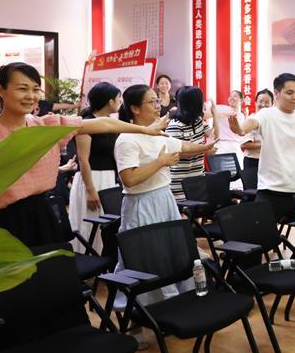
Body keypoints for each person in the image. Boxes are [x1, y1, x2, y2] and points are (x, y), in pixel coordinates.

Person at [0, 62, 169, 246]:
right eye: (22, 89)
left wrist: (145, 130)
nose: (31, 96)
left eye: (35, 89)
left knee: (51, 280)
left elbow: (104, 123)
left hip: (43, 216)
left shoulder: (47, 126)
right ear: (0, 90)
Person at [114, 84, 217, 312]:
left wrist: (205, 147)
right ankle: (143, 310)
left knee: (170, 250)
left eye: (157, 101)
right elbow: (129, 179)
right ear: (135, 109)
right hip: (141, 203)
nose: (157, 106)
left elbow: (181, 146)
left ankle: (173, 302)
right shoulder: (126, 139)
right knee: (146, 255)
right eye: (152, 102)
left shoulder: (157, 133)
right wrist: (160, 162)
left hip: (164, 198)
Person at [229, 74, 295, 223]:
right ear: (277, 93)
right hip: (271, 190)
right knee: (261, 233)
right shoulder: (267, 114)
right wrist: (240, 128)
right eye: (289, 93)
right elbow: (250, 124)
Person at [68, 82, 122, 255]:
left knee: (107, 225)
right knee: (90, 223)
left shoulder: (109, 122)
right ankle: (89, 260)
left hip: (108, 179)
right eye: (118, 98)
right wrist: (90, 190)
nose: (120, 101)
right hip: (92, 179)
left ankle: (105, 260)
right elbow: (83, 160)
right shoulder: (86, 123)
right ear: (110, 101)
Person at [165, 86, 217, 201]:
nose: (203, 104)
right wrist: (205, 149)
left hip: (198, 178)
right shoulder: (175, 125)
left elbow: (214, 135)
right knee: (185, 211)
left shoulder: (198, 121)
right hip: (180, 183)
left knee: (200, 209)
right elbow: (180, 153)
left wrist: (215, 114)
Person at [214, 90, 248, 186]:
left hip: (236, 148)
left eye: (235, 96)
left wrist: (246, 115)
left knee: (238, 178)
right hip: (222, 147)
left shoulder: (242, 115)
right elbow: (207, 113)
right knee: (223, 178)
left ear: (241, 100)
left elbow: (243, 133)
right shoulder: (222, 109)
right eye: (230, 96)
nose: (232, 98)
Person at [241, 88, 273, 168]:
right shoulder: (250, 120)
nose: (263, 105)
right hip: (253, 161)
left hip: (269, 161)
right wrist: (267, 144)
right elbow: (244, 145)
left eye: (267, 102)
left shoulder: (273, 121)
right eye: (260, 101)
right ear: (255, 103)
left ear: (272, 105)